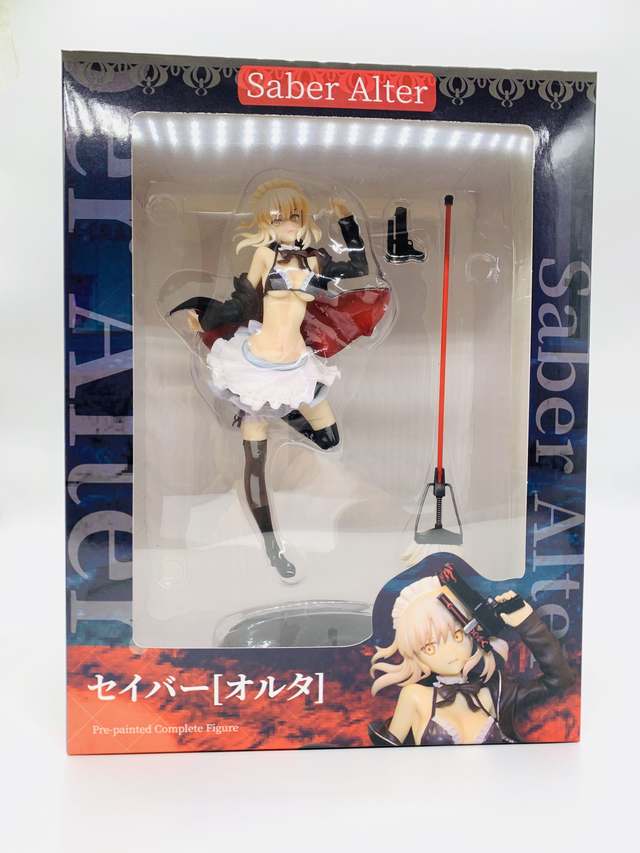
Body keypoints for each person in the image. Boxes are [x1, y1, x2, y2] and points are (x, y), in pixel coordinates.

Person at [170, 178, 389, 581]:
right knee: (255, 464)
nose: (288, 224)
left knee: (331, 441)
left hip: (297, 367)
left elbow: (358, 269)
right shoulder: (264, 255)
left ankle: (285, 418)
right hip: (255, 368)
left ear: (303, 219)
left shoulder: (315, 261)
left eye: (294, 216)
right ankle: (273, 549)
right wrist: (206, 319)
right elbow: (241, 302)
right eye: (278, 218)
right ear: (265, 223)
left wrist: (348, 223)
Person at [369, 574, 575, 745]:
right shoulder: (414, 696)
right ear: (417, 657)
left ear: (472, 634)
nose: (449, 652)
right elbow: (387, 759)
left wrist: (528, 623)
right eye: (429, 647)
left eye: (458, 636)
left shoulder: (494, 693)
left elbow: (559, 680)